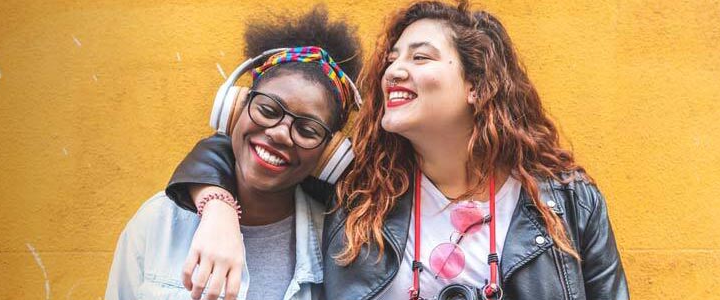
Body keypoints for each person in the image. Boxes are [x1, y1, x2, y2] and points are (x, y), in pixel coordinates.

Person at [167, 1, 629, 299]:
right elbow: (250, 150)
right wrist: (218, 210)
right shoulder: (357, 192)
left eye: (420, 57)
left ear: (477, 86)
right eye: (392, 60)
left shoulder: (568, 202)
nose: (394, 72)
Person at [104, 6, 362, 300]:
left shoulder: (341, 246)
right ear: (235, 109)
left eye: (307, 130)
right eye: (267, 110)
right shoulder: (158, 224)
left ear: (329, 155)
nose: (279, 133)